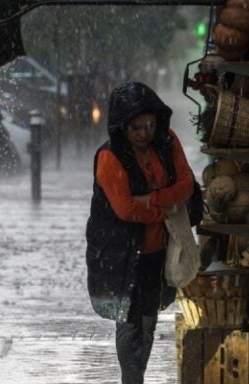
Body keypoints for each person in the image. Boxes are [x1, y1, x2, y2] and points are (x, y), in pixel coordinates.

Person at [85, 81, 194, 383]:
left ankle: (138, 376)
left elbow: (186, 185)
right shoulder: (109, 158)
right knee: (129, 322)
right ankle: (131, 379)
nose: (145, 133)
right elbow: (125, 209)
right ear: (122, 128)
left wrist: (153, 200)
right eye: (137, 128)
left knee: (148, 319)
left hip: (156, 252)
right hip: (120, 255)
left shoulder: (167, 142)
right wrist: (164, 210)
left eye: (150, 125)